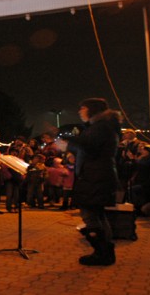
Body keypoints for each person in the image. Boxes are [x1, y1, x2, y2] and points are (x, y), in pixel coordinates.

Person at [57, 98, 121, 266]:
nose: (80, 111)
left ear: (92, 109)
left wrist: (69, 140)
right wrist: (71, 148)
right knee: (97, 214)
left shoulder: (101, 127)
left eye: (83, 108)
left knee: (90, 215)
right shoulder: (101, 126)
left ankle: (102, 253)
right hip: (96, 176)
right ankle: (105, 252)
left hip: (95, 178)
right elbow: (88, 147)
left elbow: (90, 146)